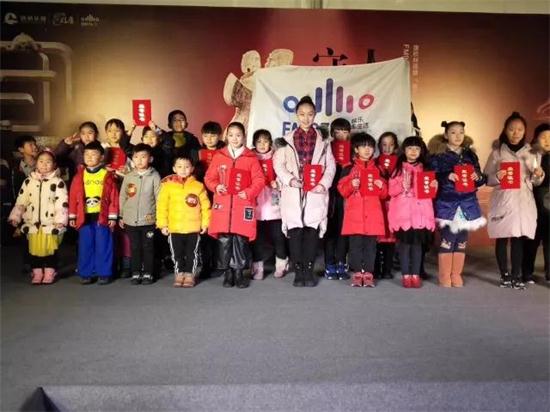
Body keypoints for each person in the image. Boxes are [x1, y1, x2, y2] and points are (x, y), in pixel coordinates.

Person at [273, 95, 336, 287]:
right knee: (295, 232)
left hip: (315, 191)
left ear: (315, 115)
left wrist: (322, 184)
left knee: (311, 232)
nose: (306, 118)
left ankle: (308, 271)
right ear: (296, 115)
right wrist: (291, 180)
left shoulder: (324, 140)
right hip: (294, 191)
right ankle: (298, 271)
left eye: (310, 114)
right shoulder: (285, 141)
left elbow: (330, 166)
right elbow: (278, 164)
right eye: (302, 114)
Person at [484, 112, 544, 289]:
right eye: (511, 129)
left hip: (523, 201)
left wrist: (538, 175)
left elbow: (535, 181)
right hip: (504, 199)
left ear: (525, 131)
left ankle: (517, 275)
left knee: (518, 237)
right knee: (502, 236)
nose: (515, 133)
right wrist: (497, 176)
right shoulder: (497, 152)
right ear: (505, 130)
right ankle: (505, 275)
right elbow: (487, 178)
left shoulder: (532, 152)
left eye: (520, 129)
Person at [204, 122, 265, 288]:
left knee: (240, 240)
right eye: (231, 135)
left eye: (238, 135)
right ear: (226, 137)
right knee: (224, 240)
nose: (234, 138)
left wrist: (249, 192)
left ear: (244, 137)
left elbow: (259, 180)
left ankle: (238, 273)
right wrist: (216, 186)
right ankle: (227, 273)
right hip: (223, 205)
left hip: (242, 204)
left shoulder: (251, 158)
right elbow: (209, 178)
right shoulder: (219, 156)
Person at [429, 121, 487, 287]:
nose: (458, 136)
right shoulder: (437, 155)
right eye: (453, 132)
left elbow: (480, 177)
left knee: (462, 240)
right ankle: (444, 275)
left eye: (461, 132)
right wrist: (446, 176)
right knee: (448, 238)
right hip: (448, 202)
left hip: (467, 202)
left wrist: (478, 177)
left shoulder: (470, 154)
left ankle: (456, 274)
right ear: (446, 135)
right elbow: (430, 175)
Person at [8, 150, 68, 284]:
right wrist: (15, 217)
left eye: (48, 162)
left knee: (50, 249)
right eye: (41, 161)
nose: (44, 164)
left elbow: (62, 202)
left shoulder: (58, 182)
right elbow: (21, 201)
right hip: (33, 223)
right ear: (36, 163)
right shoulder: (28, 181)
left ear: (54, 164)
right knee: (34, 250)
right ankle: (37, 272)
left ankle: (50, 272)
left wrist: (60, 220)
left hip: (50, 223)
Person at [337, 133, 387, 287]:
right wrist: (351, 185)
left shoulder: (379, 169)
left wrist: (381, 186)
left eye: (370, 146)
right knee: (355, 246)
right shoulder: (348, 168)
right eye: (363, 146)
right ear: (356, 149)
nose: (367, 149)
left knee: (371, 246)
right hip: (355, 216)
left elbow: (385, 194)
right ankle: (358, 273)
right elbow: (342, 190)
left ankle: (369, 273)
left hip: (373, 215)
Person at [388, 136, 437, 288]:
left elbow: (430, 194)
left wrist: (434, 186)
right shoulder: (397, 169)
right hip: (403, 215)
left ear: (421, 151)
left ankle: (415, 275)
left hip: (421, 215)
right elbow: (391, 191)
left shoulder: (426, 169)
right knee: (404, 246)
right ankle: (406, 275)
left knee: (417, 246)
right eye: (410, 148)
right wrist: (402, 186)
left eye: (417, 148)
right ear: (404, 150)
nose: (413, 151)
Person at [68, 141, 119, 285]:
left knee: (104, 245)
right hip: (84, 217)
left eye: (94, 154)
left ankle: (104, 273)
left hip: (102, 216)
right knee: (85, 245)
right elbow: (73, 197)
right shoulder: (79, 176)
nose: (89, 157)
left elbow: (114, 197)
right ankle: (86, 273)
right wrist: (72, 215)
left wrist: (113, 216)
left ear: (101, 157)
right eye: (87, 154)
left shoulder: (107, 175)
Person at [157, 156, 211, 288]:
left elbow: (206, 206)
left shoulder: (198, 186)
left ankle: (190, 274)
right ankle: (179, 273)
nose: (183, 169)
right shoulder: (167, 186)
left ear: (192, 169)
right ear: (174, 168)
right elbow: (162, 206)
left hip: (193, 227)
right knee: (177, 254)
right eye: (179, 167)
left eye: (187, 167)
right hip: (174, 227)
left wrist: (205, 224)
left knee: (192, 253)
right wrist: (163, 225)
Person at [119, 144, 161, 285]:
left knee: (148, 247)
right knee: (135, 247)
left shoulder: (154, 176)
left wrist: (159, 217)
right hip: (131, 219)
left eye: (143, 157)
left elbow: (159, 197)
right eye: (136, 157)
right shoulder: (129, 176)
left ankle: (148, 272)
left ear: (150, 159)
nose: (139, 160)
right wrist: (121, 215)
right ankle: (136, 272)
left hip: (148, 220)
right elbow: (123, 196)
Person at [251, 129, 288, 280]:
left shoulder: (277, 157)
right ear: (254, 143)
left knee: (278, 236)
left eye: (265, 141)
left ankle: (281, 264)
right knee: (257, 238)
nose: (262, 144)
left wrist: (277, 183)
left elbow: (284, 174)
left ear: (270, 143)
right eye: (259, 141)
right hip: (256, 204)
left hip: (274, 203)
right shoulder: (250, 157)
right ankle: (257, 267)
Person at [324, 118, 351, 280]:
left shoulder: (354, 151)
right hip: (330, 195)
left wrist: (347, 166)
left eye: (345, 132)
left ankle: (341, 262)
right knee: (330, 230)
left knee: (343, 231)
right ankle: (329, 263)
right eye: (338, 132)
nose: (341, 135)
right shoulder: (326, 148)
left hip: (346, 197)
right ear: (332, 133)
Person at [523, 123, 550, 283]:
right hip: (533, 202)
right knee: (532, 239)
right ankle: (527, 273)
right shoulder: (530, 155)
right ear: (535, 139)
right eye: (543, 137)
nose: (547, 141)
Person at [374, 131, 399, 279]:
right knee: (377, 237)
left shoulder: (401, 163)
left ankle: (388, 269)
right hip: (378, 204)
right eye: (384, 144)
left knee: (391, 238)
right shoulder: (374, 162)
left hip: (395, 205)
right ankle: (376, 268)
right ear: (379, 146)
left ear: (395, 146)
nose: (387, 148)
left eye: (391, 144)